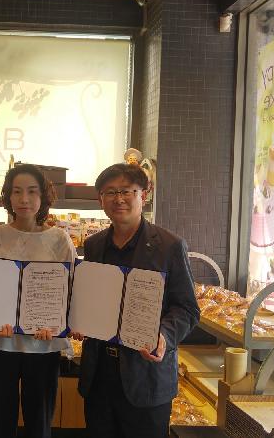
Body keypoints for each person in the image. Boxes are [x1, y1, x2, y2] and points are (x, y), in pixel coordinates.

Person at [71, 163, 200, 438]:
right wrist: (79, 318)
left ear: (144, 194)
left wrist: (164, 335)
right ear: (100, 200)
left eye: (127, 191)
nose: (119, 199)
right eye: (110, 192)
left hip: (146, 378)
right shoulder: (94, 245)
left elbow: (187, 308)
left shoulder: (170, 246)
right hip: (99, 376)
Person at [0, 164, 76, 438]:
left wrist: (55, 324)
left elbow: (69, 290)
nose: (24, 199)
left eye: (32, 191)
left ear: (43, 196)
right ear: (8, 196)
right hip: (1, 342)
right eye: (17, 191)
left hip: (43, 344)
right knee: (1, 422)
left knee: (39, 423)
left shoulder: (59, 239)